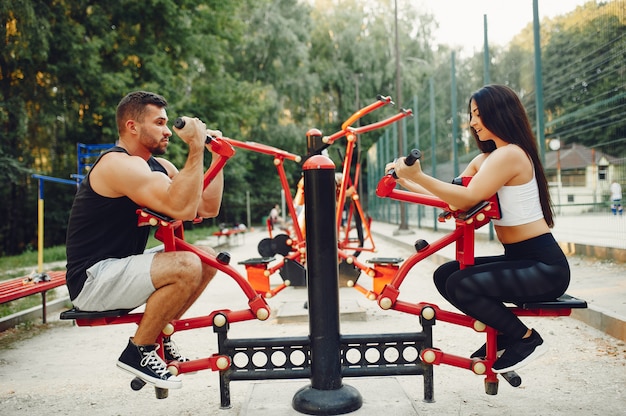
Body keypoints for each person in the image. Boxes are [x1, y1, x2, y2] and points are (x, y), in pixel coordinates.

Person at [386, 84, 570, 374]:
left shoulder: (510, 155)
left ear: (500, 114)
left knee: (461, 283)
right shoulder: (487, 159)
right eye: (471, 115)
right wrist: (407, 180)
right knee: (447, 274)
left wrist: (419, 175)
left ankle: (525, 339)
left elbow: (470, 198)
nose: (472, 122)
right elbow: (451, 196)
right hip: (519, 259)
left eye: (479, 114)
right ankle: (506, 332)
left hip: (544, 267)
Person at [65, 91, 224, 390]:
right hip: (92, 279)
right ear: (132, 127)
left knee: (205, 257)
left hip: (119, 268)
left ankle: (160, 333)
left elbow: (205, 207)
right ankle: (139, 350)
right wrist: (194, 150)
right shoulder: (117, 164)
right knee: (186, 264)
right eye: (160, 122)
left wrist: (216, 157)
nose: (167, 131)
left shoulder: (160, 166)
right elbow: (180, 208)